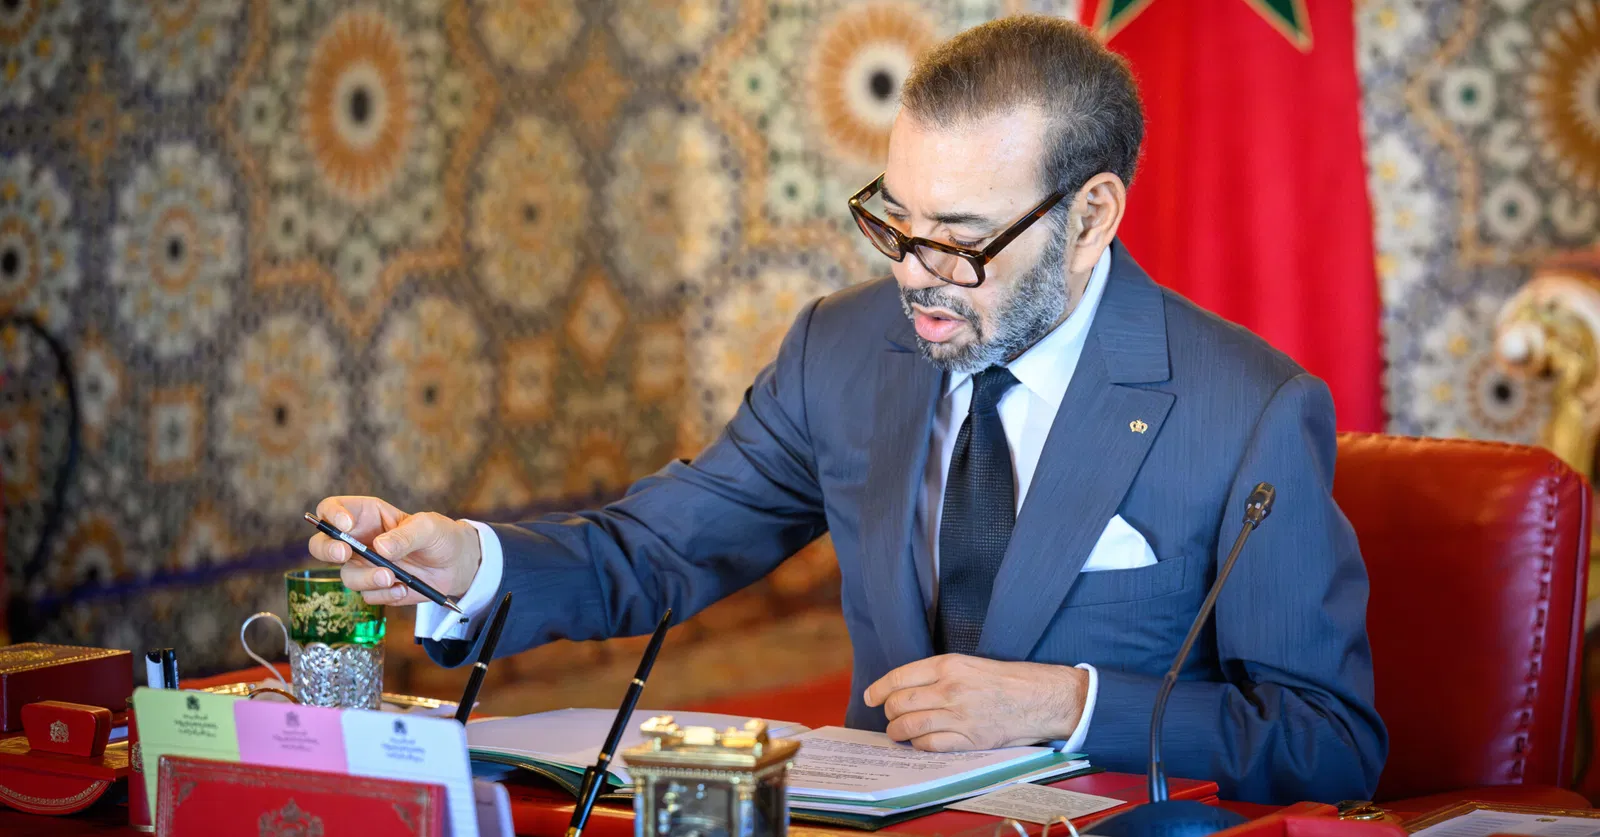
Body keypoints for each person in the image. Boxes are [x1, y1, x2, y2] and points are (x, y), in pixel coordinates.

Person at [309, 15, 1387, 804]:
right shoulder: (841, 348)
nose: (914, 274)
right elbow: (659, 548)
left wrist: (1067, 705)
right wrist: (468, 562)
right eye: (895, 222)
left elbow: (1328, 741)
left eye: (960, 239)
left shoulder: (1247, 408)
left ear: (1092, 215)